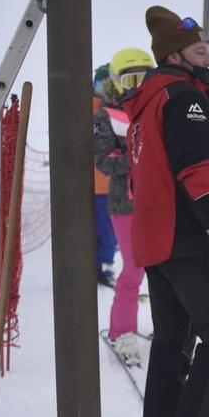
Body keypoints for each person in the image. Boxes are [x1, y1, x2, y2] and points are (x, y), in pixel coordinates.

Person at [123, 5, 209, 417]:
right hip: (187, 239)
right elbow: (196, 171)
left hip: (156, 241)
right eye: (200, 48)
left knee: (173, 338)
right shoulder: (185, 100)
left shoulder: (149, 101)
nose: (208, 55)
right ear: (174, 54)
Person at [93, 47, 156, 367]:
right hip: (126, 203)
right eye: (130, 79)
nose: (137, 86)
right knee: (133, 268)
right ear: (116, 82)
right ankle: (122, 331)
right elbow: (102, 160)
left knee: (163, 268)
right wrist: (134, 161)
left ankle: (169, 327)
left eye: (144, 77)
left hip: (159, 202)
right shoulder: (107, 115)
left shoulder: (158, 109)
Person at [92, 64, 118, 288]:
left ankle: (105, 265)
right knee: (91, 227)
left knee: (108, 229)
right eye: (99, 84)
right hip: (87, 183)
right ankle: (93, 265)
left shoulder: (115, 107)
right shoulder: (86, 106)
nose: (102, 89)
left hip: (108, 183)